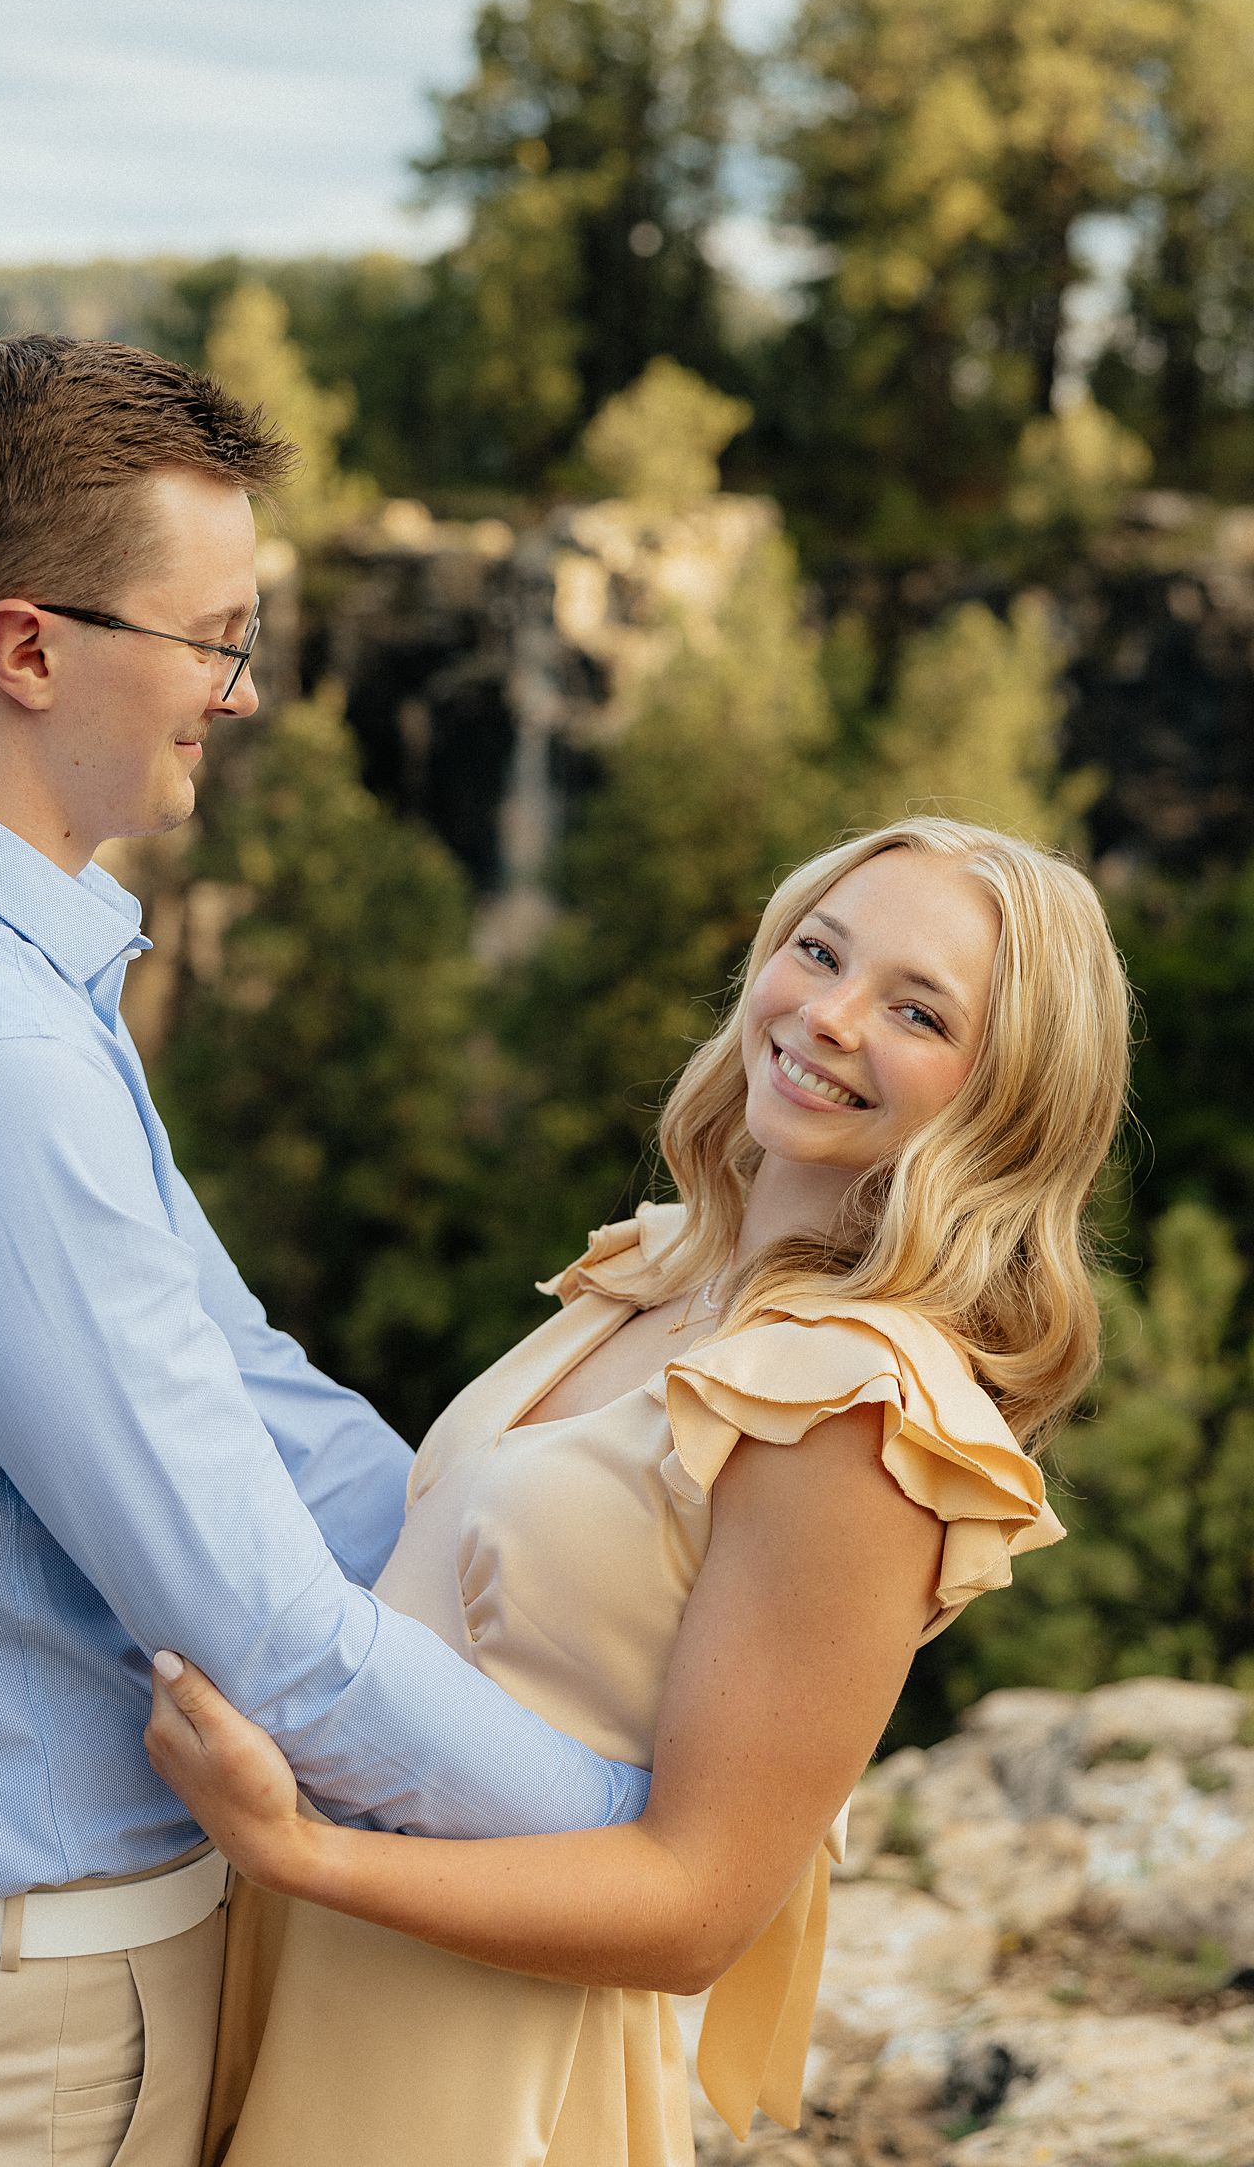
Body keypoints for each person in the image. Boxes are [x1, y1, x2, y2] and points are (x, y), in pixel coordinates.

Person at [0, 335, 654, 2167]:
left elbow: (245, 1382)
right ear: (28, 647)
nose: (243, 689)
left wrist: (512, 1586)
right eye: (212, 638)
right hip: (30, 2023)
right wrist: (638, 1825)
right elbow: (270, 1646)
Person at [142, 816, 1133, 2165]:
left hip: (476, 2064)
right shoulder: (667, 1272)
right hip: (308, 1967)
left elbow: (697, 1905)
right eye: (819, 951)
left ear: (1006, 1095)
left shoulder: (857, 1414)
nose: (830, 1016)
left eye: (918, 1010)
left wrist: (303, 1855)